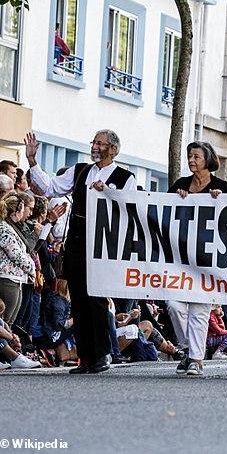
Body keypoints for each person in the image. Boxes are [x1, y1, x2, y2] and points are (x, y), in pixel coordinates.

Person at [25, 130, 136, 374]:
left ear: (113, 150)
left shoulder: (125, 177)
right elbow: (50, 187)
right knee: (79, 298)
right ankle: (85, 357)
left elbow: (130, 208)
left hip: (102, 244)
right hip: (77, 240)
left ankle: (103, 354)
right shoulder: (81, 170)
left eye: (100, 143)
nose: (95, 147)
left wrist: (108, 192)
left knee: (97, 299)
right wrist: (33, 161)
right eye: (94, 142)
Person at [166, 142, 227, 377]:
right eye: (189, 156)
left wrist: (220, 200)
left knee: (200, 309)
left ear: (208, 159)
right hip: (181, 259)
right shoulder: (181, 185)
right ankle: (189, 348)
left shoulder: (222, 187)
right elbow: (163, 213)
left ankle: (195, 359)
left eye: (196, 156)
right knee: (174, 306)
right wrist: (177, 198)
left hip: (208, 259)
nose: (191, 160)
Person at [0, 194, 36, 325]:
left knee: (10, 321)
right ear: (17, 211)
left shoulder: (9, 228)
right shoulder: (4, 228)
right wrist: (32, 269)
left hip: (16, 279)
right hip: (7, 279)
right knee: (6, 321)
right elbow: (16, 254)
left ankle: (10, 343)